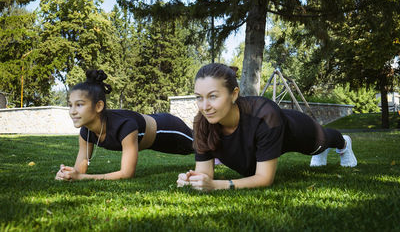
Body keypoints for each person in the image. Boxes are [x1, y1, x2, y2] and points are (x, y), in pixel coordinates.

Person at [176, 63, 357, 191]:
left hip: (297, 130)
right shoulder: (202, 123)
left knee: (321, 143)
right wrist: (193, 180)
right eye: (199, 97)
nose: (204, 106)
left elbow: (264, 179)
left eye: (213, 96)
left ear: (234, 94)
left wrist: (217, 186)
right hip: (269, 134)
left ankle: (344, 143)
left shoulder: (265, 116)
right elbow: (205, 174)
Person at [55, 70, 193, 181]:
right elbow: (80, 170)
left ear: (98, 106)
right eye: (70, 105)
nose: (72, 111)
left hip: (168, 128)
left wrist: (83, 177)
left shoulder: (124, 126)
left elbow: (127, 173)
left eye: (79, 104)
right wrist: (68, 174)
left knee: (202, 145)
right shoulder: (86, 132)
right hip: (154, 143)